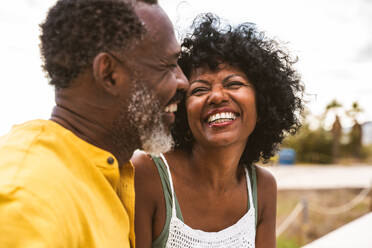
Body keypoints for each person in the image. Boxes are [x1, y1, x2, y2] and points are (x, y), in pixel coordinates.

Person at [0, 0, 188, 247]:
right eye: (167, 65)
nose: (183, 81)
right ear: (109, 74)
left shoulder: (108, 170)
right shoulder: (27, 198)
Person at [133, 13, 304, 248]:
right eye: (199, 90)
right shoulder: (148, 175)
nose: (216, 96)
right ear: (182, 107)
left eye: (234, 84)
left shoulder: (262, 187)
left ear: (262, 101)